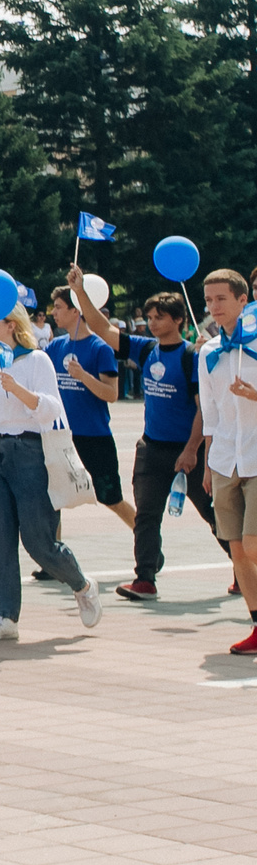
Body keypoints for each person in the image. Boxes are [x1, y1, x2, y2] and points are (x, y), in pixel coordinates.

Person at [71, 282, 222, 602]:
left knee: (213, 514)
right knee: (146, 516)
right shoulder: (144, 348)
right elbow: (100, 326)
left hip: (187, 453)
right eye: (150, 317)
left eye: (160, 317)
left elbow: (203, 409)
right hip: (151, 449)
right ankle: (145, 579)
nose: (152, 322)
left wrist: (192, 450)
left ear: (179, 320)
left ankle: (243, 567)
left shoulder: (192, 355)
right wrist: (80, 290)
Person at [0, 303, 102, 642]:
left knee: (38, 541)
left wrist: (18, 390)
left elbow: (51, 410)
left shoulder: (36, 359)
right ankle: (5, 616)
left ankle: (82, 585)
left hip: (28, 451)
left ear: (11, 325)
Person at [198, 268, 257, 653]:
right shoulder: (207, 351)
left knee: (253, 546)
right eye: (208, 300)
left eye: (221, 299)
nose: (213, 307)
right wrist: (207, 463)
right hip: (224, 458)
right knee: (235, 548)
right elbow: (211, 412)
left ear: (242, 300)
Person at [45, 285, 134, 531]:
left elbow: (111, 394)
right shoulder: (55, 347)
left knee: (111, 498)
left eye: (59, 307)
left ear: (76, 310)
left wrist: (83, 376)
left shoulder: (100, 348)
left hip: (94, 437)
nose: (54, 312)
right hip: (62, 437)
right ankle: (55, 563)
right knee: (53, 500)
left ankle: (147, 543)